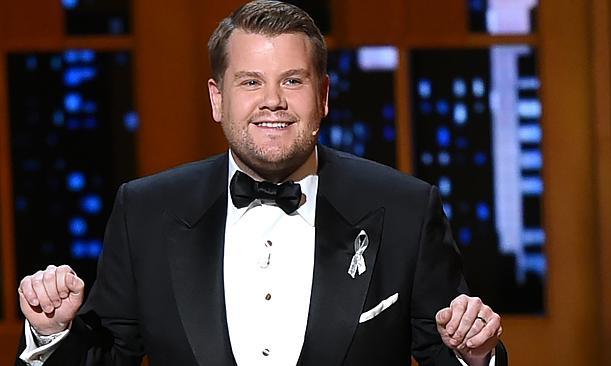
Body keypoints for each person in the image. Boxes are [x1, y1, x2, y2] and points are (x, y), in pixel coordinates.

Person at [16, 1, 506, 365]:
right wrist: (53, 332)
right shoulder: (145, 210)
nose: (272, 101)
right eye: (250, 82)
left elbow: (452, 350)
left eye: (292, 81)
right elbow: (107, 357)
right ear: (217, 99)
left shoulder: (405, 208)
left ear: (324, 95)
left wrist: (477, 354)